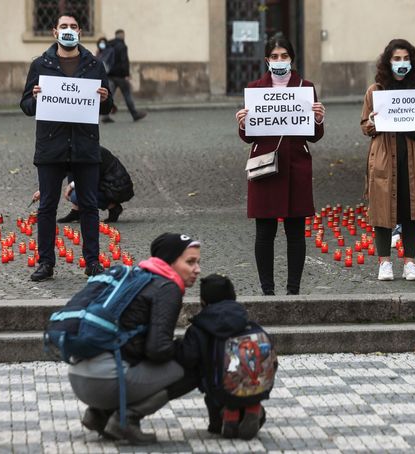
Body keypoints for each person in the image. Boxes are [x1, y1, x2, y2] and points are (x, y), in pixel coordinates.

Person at [67, 233, 201, 444]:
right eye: (190, 262)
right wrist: (185, 348)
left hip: (79, 375)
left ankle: (98, 415)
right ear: (170, 261)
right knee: (195, 366)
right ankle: (126, 420)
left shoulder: (137, 276)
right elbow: (157, 349)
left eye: (197, 262)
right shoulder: (168, 288)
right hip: (103, 382)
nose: (197, 269)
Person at [20, 12, 113, 281]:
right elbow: (26, 106)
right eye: (64, 26)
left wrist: (105, 99)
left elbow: (107, 105)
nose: (68, 30)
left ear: (80, 32)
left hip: (85, 146)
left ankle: (93, 262)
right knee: (47, 206)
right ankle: (46, 263)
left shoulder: (94, 65)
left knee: (89, 206)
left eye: (73, 26)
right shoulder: (40, 64)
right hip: (51, 147)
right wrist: (36, 98)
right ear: (54, 32)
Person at [235, 36, 325, 296]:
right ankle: (267, 290)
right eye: (274, 57)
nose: (279, 61)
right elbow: (249, 136)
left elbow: (314, 135)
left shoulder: (305, 87)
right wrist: (242, 123)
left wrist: (318, 118)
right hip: (265, 168)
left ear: (291, 58)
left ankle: (293, 289)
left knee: (295, 231)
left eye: (283, 56)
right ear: (266, 60)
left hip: (296, 166)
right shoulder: (255, 89)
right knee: (264, 231)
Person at [361, 38, 415, 282]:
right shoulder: (376, 90)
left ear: (412, 62)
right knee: (383, 208)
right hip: (384, 156)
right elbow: (365, 126)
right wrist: (372, 121)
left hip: (413, 157)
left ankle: (410, 263)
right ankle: (384, 262)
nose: (401, 63)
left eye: (405, 59)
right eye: (396, 59)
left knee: (411, 209)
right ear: (388, 61)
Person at [175, 274, 267, 440]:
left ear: (203, 302)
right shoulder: (245, 321)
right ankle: (254, 408)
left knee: (215, 426)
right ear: (233, 297)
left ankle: (228, 413)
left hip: (219, 391)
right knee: (248, 399)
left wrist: (178, 345)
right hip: (252, 387)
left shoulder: (199, 328)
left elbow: (188, 358)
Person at [55, 146, 133, 223]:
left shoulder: (93, 153)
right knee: (72, 166)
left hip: (117, 189)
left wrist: (71, 186)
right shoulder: (78, 152)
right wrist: (45, 188)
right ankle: (76, 211)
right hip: (103, 185)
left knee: (76, 195)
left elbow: (90, 177)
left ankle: (113, 207)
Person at [101, 29, 146, 123]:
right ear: (122, 35)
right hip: (120, 76)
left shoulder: (108, 44)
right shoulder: (122, 46)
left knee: (108, 96)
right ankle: (135, 114)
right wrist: (126, 74)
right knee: (127, 95)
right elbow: (124, 61)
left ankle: (105, 116)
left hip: (109, 74)